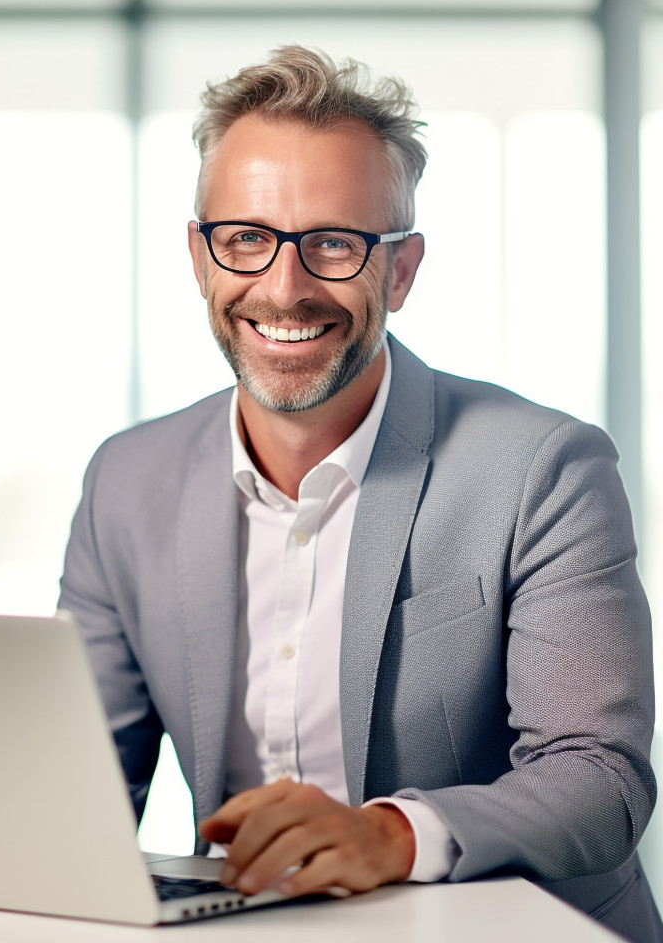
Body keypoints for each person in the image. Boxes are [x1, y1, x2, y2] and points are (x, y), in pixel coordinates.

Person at [58, 45, 660, 942]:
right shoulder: (126, 479)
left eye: (334, 244)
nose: (285, 287)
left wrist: (390, 835)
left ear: (402, 271)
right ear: (200, 256)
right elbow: (84, 787)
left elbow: (600, 779)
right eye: (247, 238)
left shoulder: (544, 467)